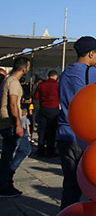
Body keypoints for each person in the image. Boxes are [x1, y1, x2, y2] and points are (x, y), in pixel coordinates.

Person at [57, 36, 96, 210]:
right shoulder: (91, 73)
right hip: (84, 137)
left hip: (64, 135)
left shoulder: (65, 73)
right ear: (91, 54)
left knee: (70, 185)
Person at [0, 56, 31, 197]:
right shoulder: (13, 82)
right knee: (20, 150)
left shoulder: (8, 80)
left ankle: (5, 178)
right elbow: (12, 104)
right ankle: (5, 179)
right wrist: (18, 124)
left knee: (11, 153)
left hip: (7, 122)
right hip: (11, 123)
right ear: (24, 68)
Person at [34, 70, 60, 157]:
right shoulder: (57, 85)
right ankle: (50, 150)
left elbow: (36, 97)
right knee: (52, 131)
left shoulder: (41, 85)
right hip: (54, 109)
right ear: (55, 76)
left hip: (43, 108)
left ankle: (40, 149)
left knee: (42, 130)